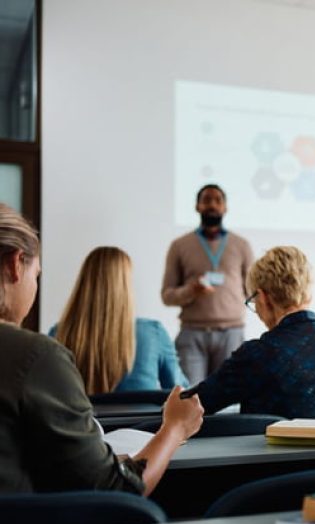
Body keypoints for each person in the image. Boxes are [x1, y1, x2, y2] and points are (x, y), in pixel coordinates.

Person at [0, 204, 203, 494]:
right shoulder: (36, 356)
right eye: (37, 275)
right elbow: (113, 488)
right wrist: (175, 428)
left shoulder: (59, 334)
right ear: (15, 264)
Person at [195, 246, 315, 417]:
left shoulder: (257, 355)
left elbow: (192, 406)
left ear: (262, 298)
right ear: (308, 293)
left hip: (274, 458)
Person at [51, 246, 189, 394]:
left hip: (82, 418)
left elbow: (48, 392)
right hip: (140, 418)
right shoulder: (153, 334)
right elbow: (182, 392)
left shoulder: (59, 334)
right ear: (125, 286)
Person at [161, 184, 254, 384]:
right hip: (192, 334)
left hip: (232, 333)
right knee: (191, 397)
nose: (212, 204)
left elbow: (253, 291)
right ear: (197, 206)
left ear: (225, 207)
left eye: (217, 200)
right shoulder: (179, 246)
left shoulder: (242, 245)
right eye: (206, 200)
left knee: (229, 402)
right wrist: (190, 291)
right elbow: (166, 295)